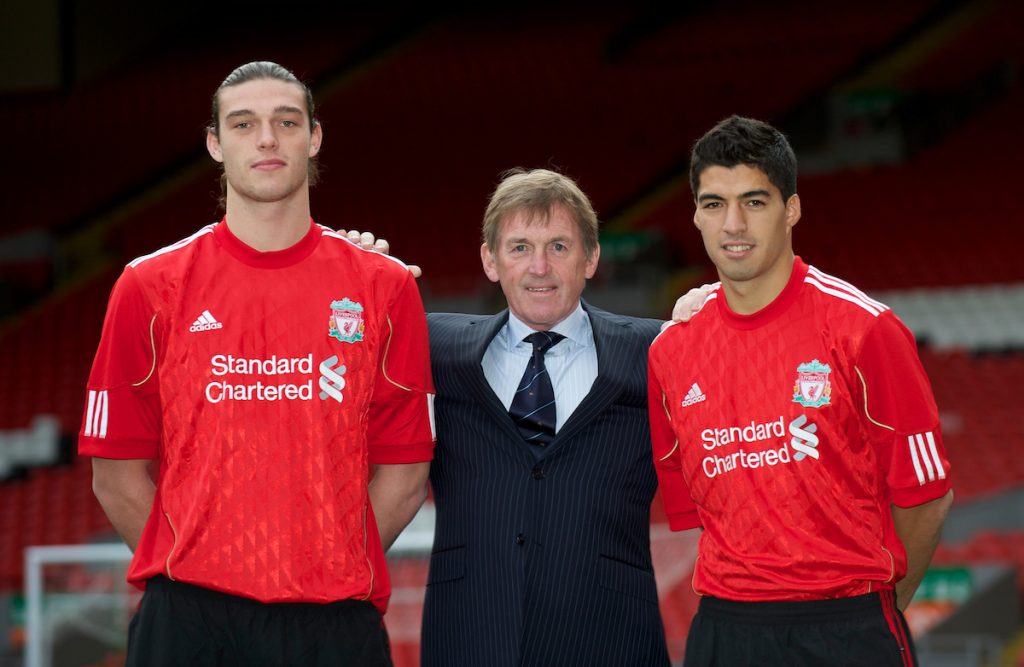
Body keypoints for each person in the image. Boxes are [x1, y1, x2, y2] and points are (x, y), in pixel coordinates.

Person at [78, 61, 435, 667]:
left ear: (314, 137)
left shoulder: (385, 286)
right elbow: (115, 474)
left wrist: (323, 559)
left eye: (285, 122)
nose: (266, 138)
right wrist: (197, 566)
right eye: (243, 124)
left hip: (333, 622)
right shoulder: (148, 285)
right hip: (187, 620)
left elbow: (403, 477)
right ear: (215, 143)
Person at [648, 115, 953, 667]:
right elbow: (700, 513)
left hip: (847, 625)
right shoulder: (670, 352)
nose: (733, 223)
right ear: (695, 214)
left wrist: (877, 608)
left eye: (755, 202)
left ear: (791, 209)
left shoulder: (864, 329)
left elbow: (927, 496)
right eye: (714, 204)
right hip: (725, 629)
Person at [420, 168, 672, 666]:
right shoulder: (435, 347)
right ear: (490, 261)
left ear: (591, 258)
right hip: (469, 634)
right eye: (519, 248)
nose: (539, 266)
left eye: (558, 246)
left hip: (611, 639)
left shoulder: (657, 350)